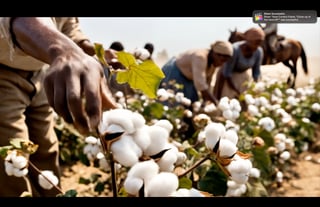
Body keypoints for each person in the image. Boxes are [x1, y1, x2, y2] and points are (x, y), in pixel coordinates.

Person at [0, 17, 118, 197]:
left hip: (40, 71)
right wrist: (62, 49)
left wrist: (86, 47)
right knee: (13, 154)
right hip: (3, 71)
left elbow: (69, 25)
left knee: (46, 147)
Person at [160, 40, 233, 105]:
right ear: (216, 54)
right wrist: (216, 103)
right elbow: (200, 84)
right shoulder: (200, 57)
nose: (222, 64)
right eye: (222, 60)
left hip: (188, 80)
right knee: (171, 101)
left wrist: (206, 100)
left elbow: (207, 82)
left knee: (190, 104)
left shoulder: (212, 64)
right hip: (175, 73)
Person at [213, 27, 265, 102]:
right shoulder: (235, 49)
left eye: (260, 43)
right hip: (228, 78)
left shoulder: (259, 51)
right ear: (249, 41)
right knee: (228, 102)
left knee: (244, 102)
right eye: (256, 43)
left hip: (243, 78)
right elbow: (226, 73)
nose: (258, 45)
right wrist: (236, 91)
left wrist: (256, 88)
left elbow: (256, 72)